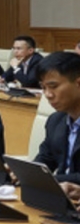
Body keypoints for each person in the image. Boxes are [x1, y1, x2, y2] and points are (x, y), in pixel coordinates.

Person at [32, 52, 80, 184]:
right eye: (43, 88)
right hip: (59, 197)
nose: (48, 94)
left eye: (53, 87)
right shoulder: (55, 120)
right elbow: (45, 159)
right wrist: (23, 172)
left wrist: (48, 179)